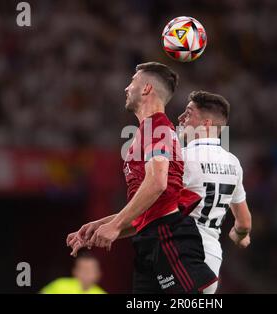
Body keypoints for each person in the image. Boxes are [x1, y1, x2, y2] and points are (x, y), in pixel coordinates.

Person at [67, 62, 217, 294]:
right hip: (151, 241)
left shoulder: (157, 128)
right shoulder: (147, 131)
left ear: (146, 88)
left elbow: (157, 183)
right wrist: (101, 226)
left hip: (169, 238)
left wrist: (115, 226)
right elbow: (151, 210)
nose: (126, 88)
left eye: (132, 81)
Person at [178, 91, 252, 293]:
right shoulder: (233, 163)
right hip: (211, 259)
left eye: (188, 113)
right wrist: (239, 235)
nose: (180, 119)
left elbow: (152, 209)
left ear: (207, 124)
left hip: (179, 254)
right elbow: (244, 222)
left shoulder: (180, 158)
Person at [40, 253, 107, 294]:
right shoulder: (60, 285)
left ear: (98, 274)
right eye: (82, 270)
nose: (86, 274)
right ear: (74, 271)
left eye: (89, 271)